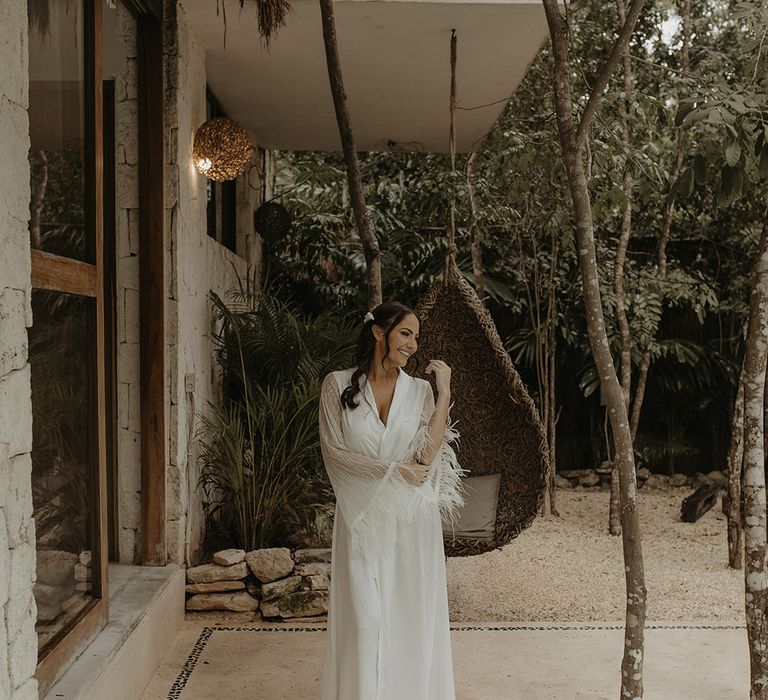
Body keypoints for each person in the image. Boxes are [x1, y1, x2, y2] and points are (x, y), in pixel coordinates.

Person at [319, 301, 466, 700]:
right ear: (378, 332)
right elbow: (334, 453)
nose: (414, 345)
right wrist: (390, 471)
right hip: (361, 521)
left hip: (410, 523)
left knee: (408, 621)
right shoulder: (336, 384)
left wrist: (445, 391)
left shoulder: (419, 391)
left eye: (416, 337)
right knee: (365, 621)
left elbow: (426, 456)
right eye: (406, 333)